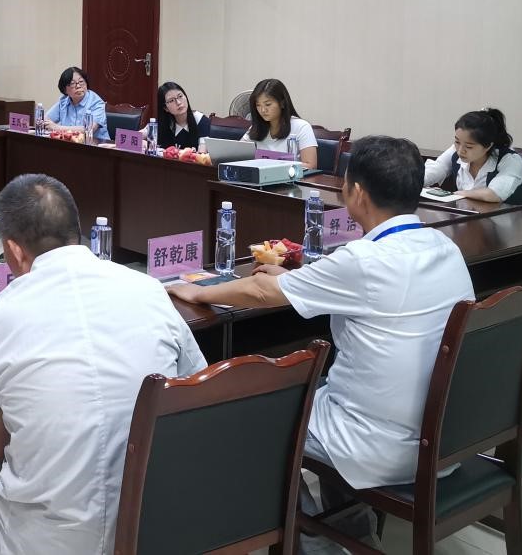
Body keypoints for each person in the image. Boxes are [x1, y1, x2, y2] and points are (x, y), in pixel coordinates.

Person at [169, 136, 474, 545]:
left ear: (357, 193)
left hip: (380, 446)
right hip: (445, 438)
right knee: (327, 396)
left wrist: (196, 292)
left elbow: (260, 292)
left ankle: (317, 544)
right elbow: (341, 283)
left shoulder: (364, 261)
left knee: (256, 415)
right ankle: (352, 533)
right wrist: (295, 280)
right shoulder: (444, 248)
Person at [0, 173, 205, 555]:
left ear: (13, 250)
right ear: (77, 231)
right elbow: (196, 385)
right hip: (150, 525)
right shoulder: (148, 289)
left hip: (47, 541)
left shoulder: (0, 315)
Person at [424, 107, 522, 204]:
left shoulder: (510, 160)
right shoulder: (456, 150)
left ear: (488, 146)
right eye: (457, 142)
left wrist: (456, 194)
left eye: (469, 147)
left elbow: (494, 194)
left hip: (507, 215)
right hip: (467, 214)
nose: (460, 151)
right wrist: (417, 183)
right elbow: (434, 170)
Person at [240, 78, 318, 168]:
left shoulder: (301, 127)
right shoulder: (256, 127)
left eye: (268, 104)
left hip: (290, 177)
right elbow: (238, 155)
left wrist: (272, 165)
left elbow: (311, 166)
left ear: (282, 103)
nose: (263, 110)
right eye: (258, 105)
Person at [44, 66, 110, 142]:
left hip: (96, 146)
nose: (78, 86)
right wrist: (48, 124)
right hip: (70, 144)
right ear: (65, 90)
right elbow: (45, 120)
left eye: (81, 82)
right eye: (72, 84)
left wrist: (57, 128)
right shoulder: (64, 101)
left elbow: (89, 129)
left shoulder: (96, 102)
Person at [155, 81, 208, 149]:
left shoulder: (200, 120)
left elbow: (203, 150)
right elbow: (142, 134)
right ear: (165, 108)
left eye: (180, 96)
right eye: (171, 100)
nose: (178, 102)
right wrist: (144, 141)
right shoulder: (162, 123)